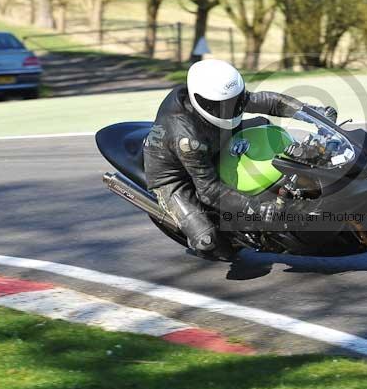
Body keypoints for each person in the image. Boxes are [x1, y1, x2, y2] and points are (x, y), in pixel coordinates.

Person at [144, 59, 337, 260]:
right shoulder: (186, 138)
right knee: (208, 241)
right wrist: (254, 207)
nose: (230, 109)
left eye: (235, 102)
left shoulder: (222, 98)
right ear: (201, 101)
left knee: (264, 125)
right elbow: (208, 190)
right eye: (222, 106)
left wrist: (314, 114)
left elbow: (270, 102)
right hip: (176, 176)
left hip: (217, 139)